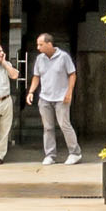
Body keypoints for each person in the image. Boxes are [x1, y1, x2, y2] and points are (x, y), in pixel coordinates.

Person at [28, 31, 81, 164]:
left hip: (61, 98)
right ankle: (50, 155)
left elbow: (72, 74)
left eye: (40, 45)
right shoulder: (40, 59)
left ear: (49, 44)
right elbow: (36, 76)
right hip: (45, 97)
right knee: (48, 127)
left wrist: (69, 92)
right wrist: (31, 92)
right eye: (37, 45)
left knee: (64, 125)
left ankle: (75, 153)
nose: (38, 48)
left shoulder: (63, 57)